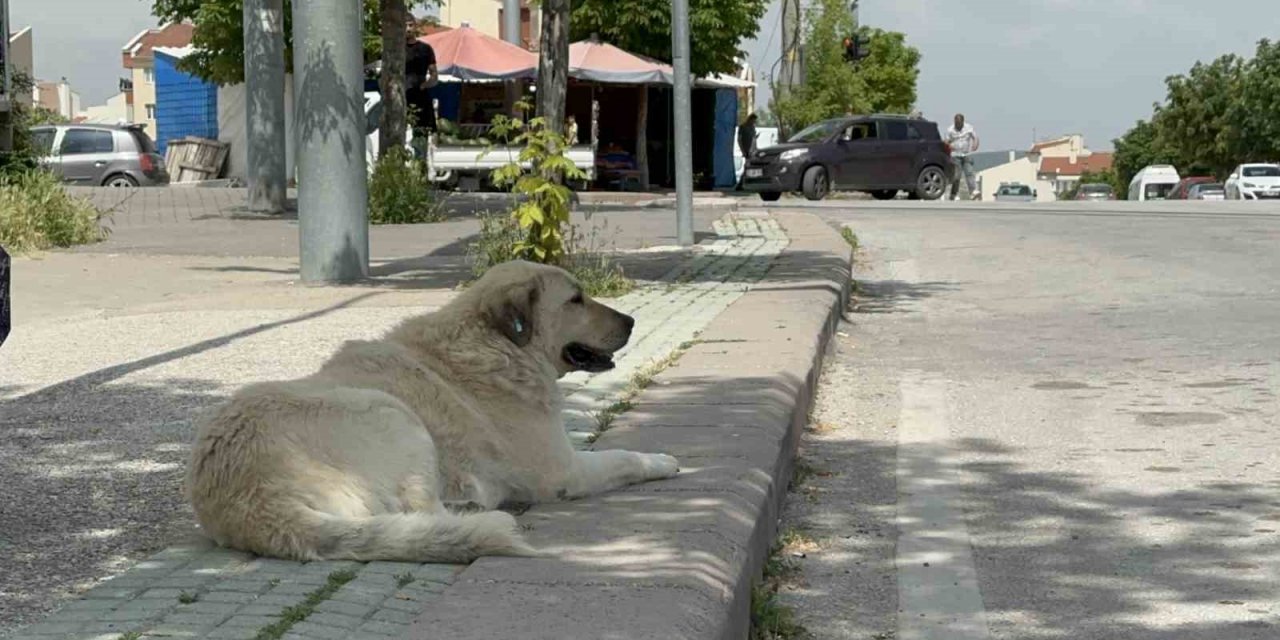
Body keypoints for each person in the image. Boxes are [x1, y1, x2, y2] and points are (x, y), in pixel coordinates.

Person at [404, 29, 439, 135]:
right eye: (405, 25)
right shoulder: (395, 50)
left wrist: (424, 85)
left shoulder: (425, 48)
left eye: (411, 25)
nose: (408, 29)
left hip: (420, 95)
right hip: (400, 94)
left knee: (420, 133)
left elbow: (434, 76)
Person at [945, 113, 980, 200]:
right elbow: (945, 142)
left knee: (969, 173)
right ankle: (954, 194)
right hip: (955, 155)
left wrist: (975, 144)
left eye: (959, 123)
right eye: (956, 123)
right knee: (957, 176)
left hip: (966, 154)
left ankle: (973, 192)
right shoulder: (950, 130)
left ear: (963, 122)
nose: (958, 125)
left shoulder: (969, 128)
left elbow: (975, 137)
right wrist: (949, 146)